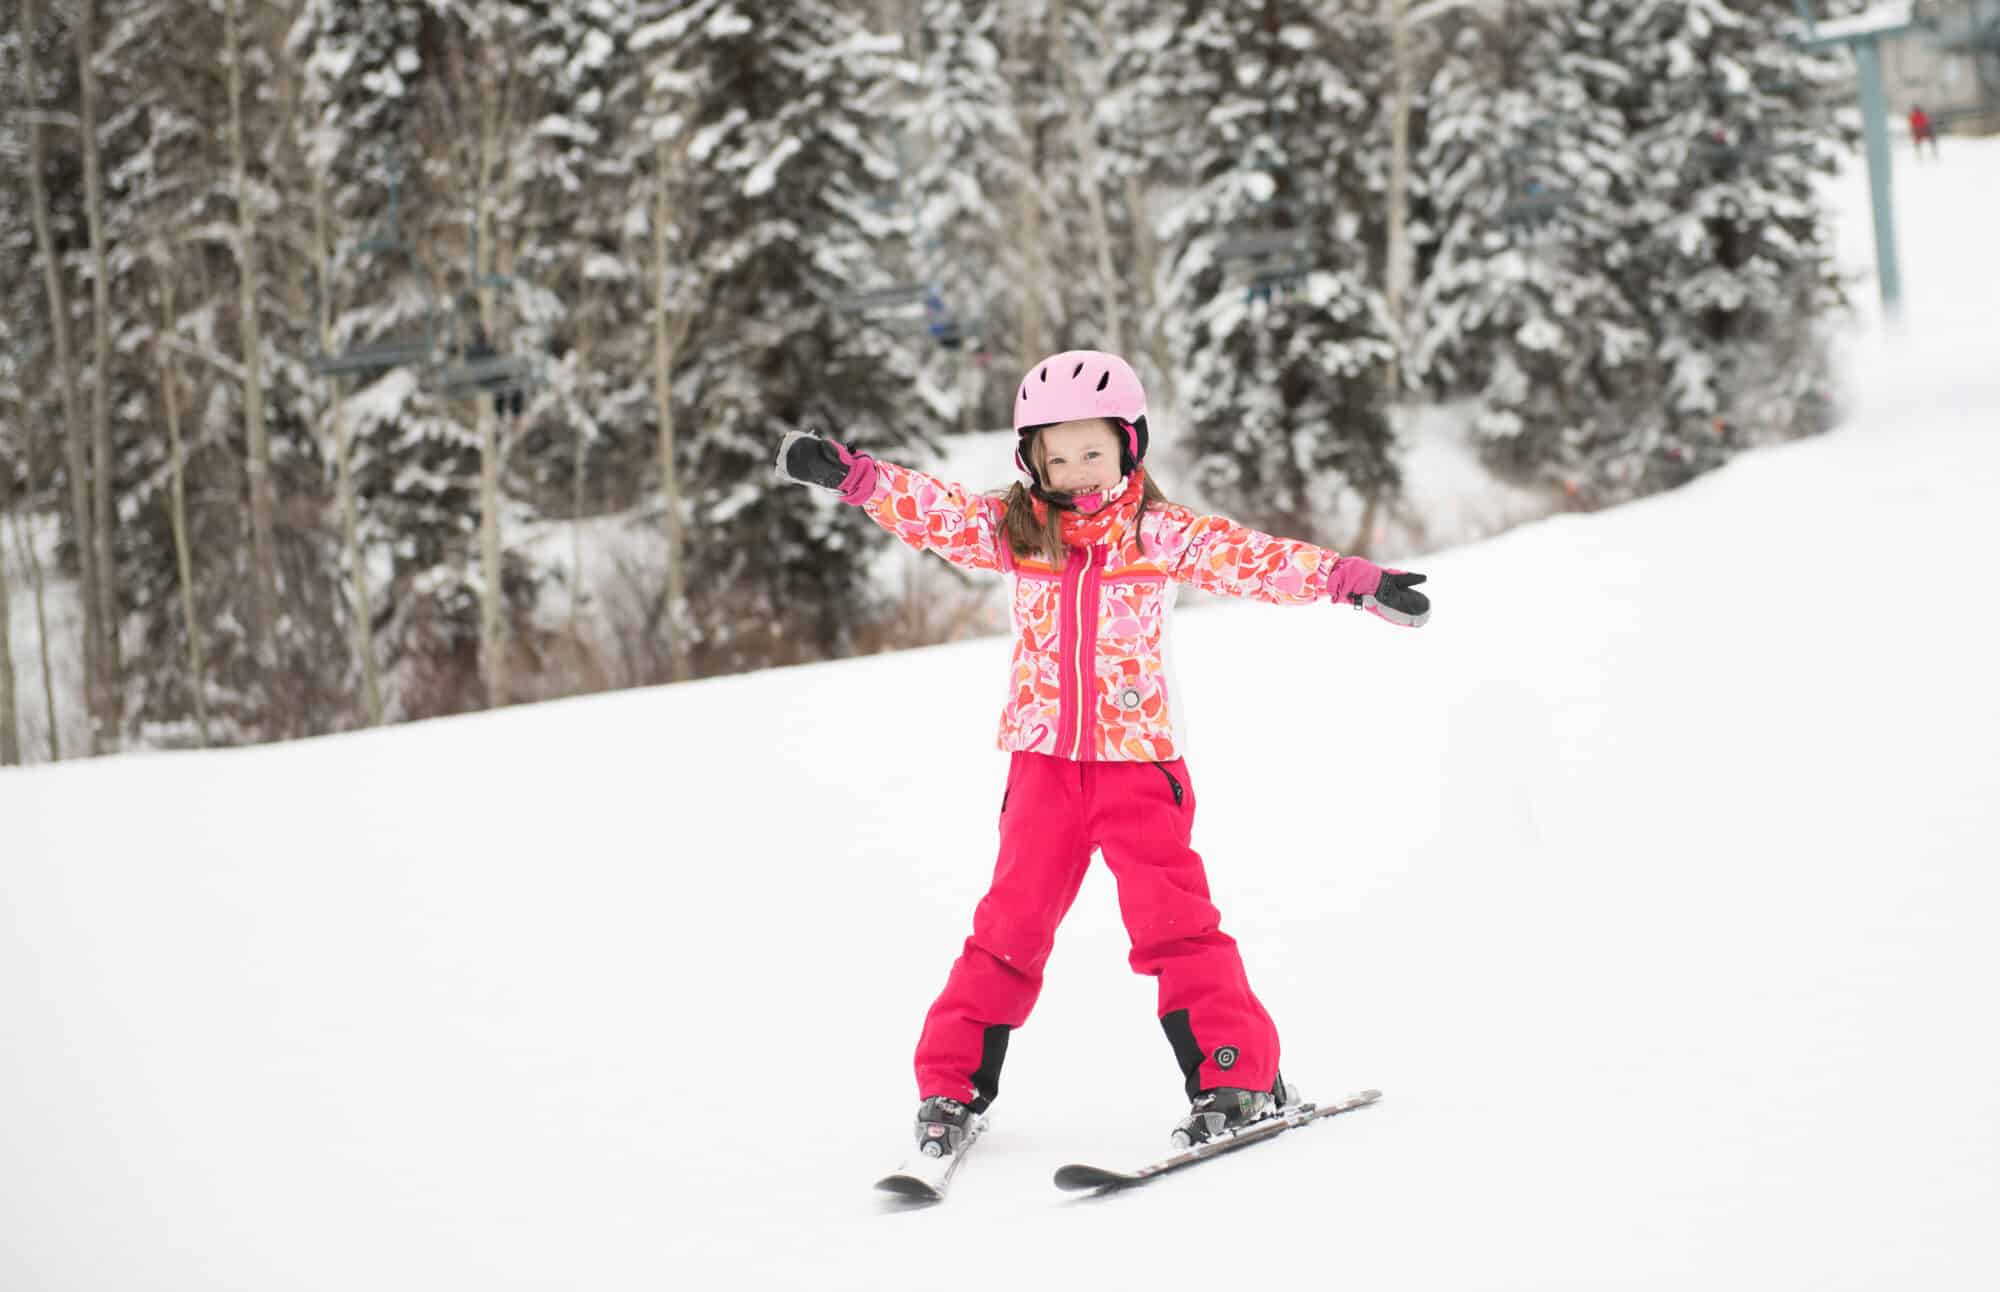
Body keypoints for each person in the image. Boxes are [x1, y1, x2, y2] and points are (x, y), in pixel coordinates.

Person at [773, 349, 1431, 1155]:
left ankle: (1238, 1076)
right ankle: (949, 1088)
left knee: (1174, 927)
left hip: (1138, 765)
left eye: (1094, 450)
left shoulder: (1159, 532)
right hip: (1042, 765)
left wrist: (1349, 580)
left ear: (1129, 445)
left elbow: (1254, 558)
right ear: (1031, 462)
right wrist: (857, 478)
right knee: (1006, 929)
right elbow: (934, 509)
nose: (1079, 470)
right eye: (1058, 454)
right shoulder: (1016, 532)